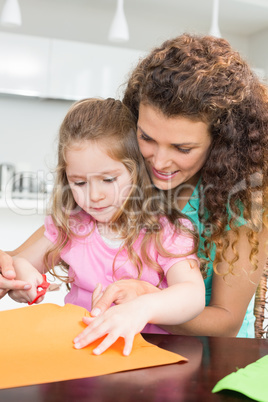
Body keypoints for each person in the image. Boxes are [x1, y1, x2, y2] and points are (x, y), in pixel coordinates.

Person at [3, 33, 268, 337]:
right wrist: (10, 272)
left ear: (221, 142)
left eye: (182, 149)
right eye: (147, 138)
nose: (159, 162)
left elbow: (225, 324)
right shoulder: (119, 180)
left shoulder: (243, 202)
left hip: (212, 354)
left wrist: (147, 303)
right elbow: (21, 258)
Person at [8, 97, 205, 355]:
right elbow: (17, 265)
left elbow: (193, 295)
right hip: (80, 356)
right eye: (80, 183)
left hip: (142, 359)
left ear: (136, 172)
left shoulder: (167, 230)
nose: (94, 196)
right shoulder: (71, 226)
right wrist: (23, 277)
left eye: (108, 179)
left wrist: (143, 307)